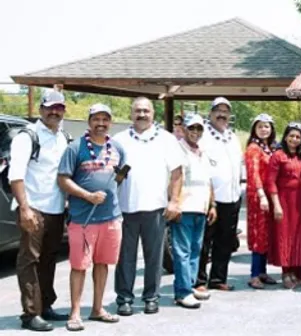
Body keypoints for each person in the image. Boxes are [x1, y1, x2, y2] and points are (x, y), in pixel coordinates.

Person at [57, 104, 127, 331]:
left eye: (105, 119)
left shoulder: (117, 148)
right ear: (88, 122)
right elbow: (63, 180)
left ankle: (97, 309)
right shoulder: (75, 148)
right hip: (82, 219)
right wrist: (87, 195)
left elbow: (119, 177)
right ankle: (75, 312)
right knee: (79, 266)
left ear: (111, 123)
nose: (100, 123)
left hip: (110, 218)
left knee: (103, 263)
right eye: (96, 119)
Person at [112, 98, 183, 316]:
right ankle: (124, 298)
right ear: (131, 113)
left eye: (146, 111)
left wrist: (174, 201)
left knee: (154, 257)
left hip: (155, 208)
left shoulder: (167, 139)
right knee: (125, 257)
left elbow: (177, 172)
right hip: (126, 208)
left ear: (153, 113)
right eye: (137, 111)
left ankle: (151, 297)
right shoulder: (118, 140)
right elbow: (113, 175)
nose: (141, 114)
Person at [10, 89, 70, 331]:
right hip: (33, 208)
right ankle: (30, 313)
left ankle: (45, 305)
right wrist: (25, 209)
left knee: (48, 259)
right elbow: (16, 176)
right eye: (50, 107)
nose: (54, 112)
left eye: (59, 108)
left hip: (55, 209)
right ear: (41, 109)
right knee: (29, 260)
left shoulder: (62, 136)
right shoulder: (27, 136)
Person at [196, 97, 244, 292]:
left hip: (232, 197)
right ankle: (199, 281)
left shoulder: (232, 136)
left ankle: (218, 278)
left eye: (226, 111)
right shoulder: (202, 135)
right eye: (218, 111)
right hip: (211, 199)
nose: (222, 114)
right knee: (204, 242)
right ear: (210, 113)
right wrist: (210, 200)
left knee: (225, 241)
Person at [170, 114, 216, 309]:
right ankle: (182, 291)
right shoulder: (177, 149)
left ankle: (189, 285)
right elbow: (174, 178)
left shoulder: (202, 152)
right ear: (185, 128)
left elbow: (208, 180)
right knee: (182, 251)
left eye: (199, 129)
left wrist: (212, 205)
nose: (195, 132)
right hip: (184, 207)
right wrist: (174, 203)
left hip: (201, 207)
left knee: (196, 250)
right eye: (191, 128)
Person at [266, 122, 301, 289]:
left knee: (299, 236)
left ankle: (297, 273)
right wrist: (276, 205)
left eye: (298, 136)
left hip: (299, 202)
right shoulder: (278, 155)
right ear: (285, 137)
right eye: (291, 135)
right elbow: (270, 182)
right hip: (283, 200)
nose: (294, 139)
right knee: (284, 235)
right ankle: (286, 272)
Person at [244, 114, 277, 289]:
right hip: (258, 196)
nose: (264, 129)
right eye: (260, 126)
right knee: (258, 233)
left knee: (266, 234)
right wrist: (261, 194)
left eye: (267, 126)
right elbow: (253, 173)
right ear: (254, 129)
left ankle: (262, 271)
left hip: (268, 195)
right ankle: (254, 274)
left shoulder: (268, 147)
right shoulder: (253, 148)